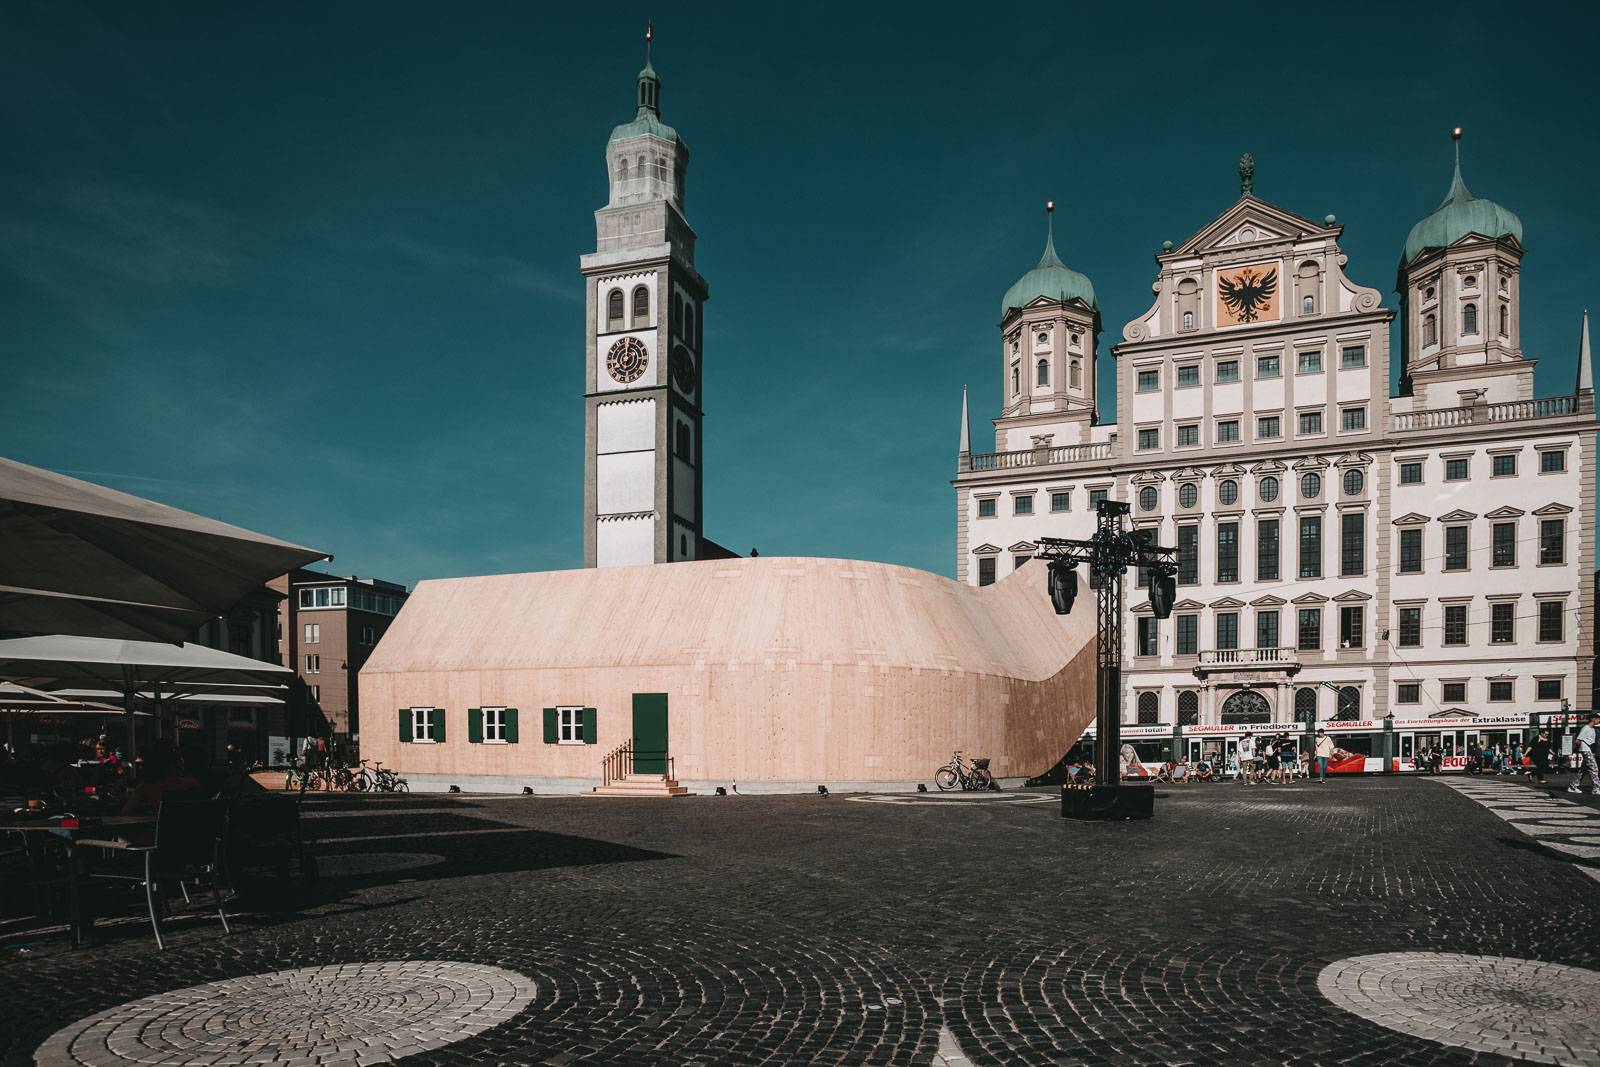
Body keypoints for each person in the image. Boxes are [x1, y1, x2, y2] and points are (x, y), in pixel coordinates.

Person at [119, 743, 200, 816]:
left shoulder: (147, 785)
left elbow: (126, 812)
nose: (183, 768)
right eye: (181, 765)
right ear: (172, 767)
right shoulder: (191, 783)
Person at [1570, 714, 1599, 795]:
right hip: (1586, 750)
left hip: (1589, 750)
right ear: (1593, 719)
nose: (1599, 721)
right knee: (1594, 768)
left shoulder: (1592, 729)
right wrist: (1584, 744)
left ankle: (1573, 786)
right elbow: (1577, 740)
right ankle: (1596, 788)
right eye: (1598, 719)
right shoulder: (1586, 728)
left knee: (1583, 770)